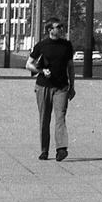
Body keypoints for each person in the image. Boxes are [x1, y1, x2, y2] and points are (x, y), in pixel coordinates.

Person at [26, 20, 76, 162]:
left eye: (61, 26)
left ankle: (61, 149)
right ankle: (44, 150)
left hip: (61, 87)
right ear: (50, 30)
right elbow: (28, 64)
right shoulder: (41, 45)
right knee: (44, 119)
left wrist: (72, 86)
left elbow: (70, 67)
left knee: (60, 117)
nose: (61, 29)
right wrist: (41, 70)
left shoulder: (66, 45)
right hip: (43, 86)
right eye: (58, 27)